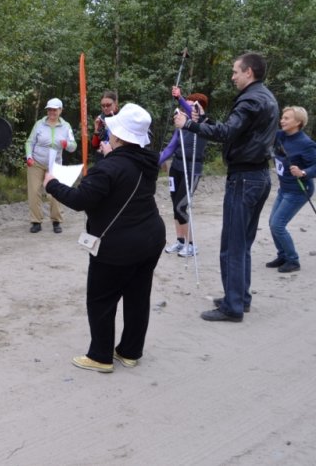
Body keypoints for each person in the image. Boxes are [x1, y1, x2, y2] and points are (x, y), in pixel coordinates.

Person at [44, 104, 164, 373]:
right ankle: (130, 351)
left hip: (118, 244)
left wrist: (51, 183)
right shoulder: (148, 161)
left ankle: (100, 355)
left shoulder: (108, 168)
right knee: (137, 296)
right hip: (150, 238)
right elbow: (124, 171)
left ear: (119, 137)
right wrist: (113, 155)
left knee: (101, 299)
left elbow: (80, 199)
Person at [174, 52, 278, 322]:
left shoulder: (251, 99)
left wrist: (191, 124)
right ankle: (239, 298)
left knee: (232, 245)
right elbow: (237, 131)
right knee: (242, 243)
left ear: (249, 72)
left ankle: (233, 306)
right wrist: (203, 120)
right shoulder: (265, 96)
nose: (232, 76)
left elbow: (227, 133)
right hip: (258, 176)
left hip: (244, 178)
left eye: (235, 71)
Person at [159, 92, 210, 257]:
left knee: (181, 207)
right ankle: (180, 242)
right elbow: (170, 148)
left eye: (190, 106)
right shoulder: (181, 127)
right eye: (184, 106)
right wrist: (154, 162)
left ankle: (192, 244)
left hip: (192, 169)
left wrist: (179, 97)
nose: (184, 109)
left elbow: (193, 110)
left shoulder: (204, 123)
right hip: (176, 168)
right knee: (175, 206)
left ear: (199, 108)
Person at [267, 106, 316, 273]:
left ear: (298, 122)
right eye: (282, 117)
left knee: (277, 224)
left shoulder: (305, 143)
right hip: (284, 188)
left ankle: (293, 260)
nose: (282, 120)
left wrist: (304, 172)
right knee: (273, 223)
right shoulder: (279, 136)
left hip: (299, 190)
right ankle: (283, 256)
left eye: (287, 118)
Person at [25, 98, 77, 233]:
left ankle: (56, 221)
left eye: (54, 109)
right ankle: (36, 221)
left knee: (55, 192)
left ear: (60, 110)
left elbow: (73, 146)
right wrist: (29, 156)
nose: (52, 112)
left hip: (55, 165)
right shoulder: (39, 124)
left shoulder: (66, 126)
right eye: (49, 109)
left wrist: (66, 144)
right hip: (36, 162)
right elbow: (29, 142)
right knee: (34, 191)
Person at [91, 91, 119, 158]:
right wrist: (96, 130)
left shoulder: (121, 117)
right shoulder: (100, 118)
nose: (105, 108)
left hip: (116, 156)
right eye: (103, 106)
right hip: (102, 156)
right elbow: (94, 146)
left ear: (115, 103)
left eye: (108, 105)